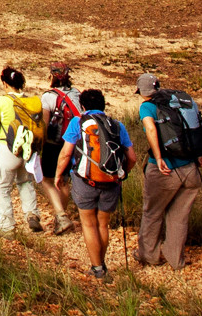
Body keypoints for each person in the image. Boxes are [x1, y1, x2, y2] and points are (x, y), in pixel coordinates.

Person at [55, 88, 136, 281]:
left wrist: (58, 174)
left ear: (83, 106)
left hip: (85, 180)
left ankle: (97, 268)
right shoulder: (117, 125)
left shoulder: (78, 122)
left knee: (89, 224)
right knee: (103, 224)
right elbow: (132, 157)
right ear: (103, 105)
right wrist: (122, 174)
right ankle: (102, 263)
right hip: (110, 181)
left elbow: (66, 153)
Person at [135, 72, 202, 270]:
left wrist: (158, 158)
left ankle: (149, 256)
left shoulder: (147, 107)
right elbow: (196, 128)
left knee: (152, 212)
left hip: (166, 171)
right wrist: (199, 155)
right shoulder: (179, 102)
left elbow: (151, 129)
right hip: (191, 170)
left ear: (141, 91)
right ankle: (176, 260)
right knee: (179, 217)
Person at [0, 66, 43, 235]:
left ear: (5, 84)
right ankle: (32, 214)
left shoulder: (2, 101)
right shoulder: (30, 101)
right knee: (25, 182)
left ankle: (7, 226)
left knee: (3, 186)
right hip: (28, 151)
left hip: (8, 149)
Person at [38, 63, 79, 235]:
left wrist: (39, 144)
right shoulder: (76, 93)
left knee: (47, 180)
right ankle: (61, 218)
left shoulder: (48, 96)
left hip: (53, 144)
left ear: (52, 76)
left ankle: (61, 216)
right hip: (72, 142)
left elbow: (45, 124)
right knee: (63, 180)